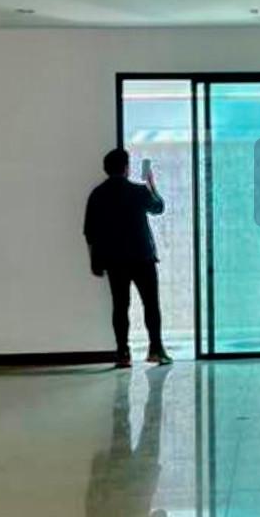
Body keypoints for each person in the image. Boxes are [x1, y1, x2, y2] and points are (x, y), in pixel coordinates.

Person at [83, 147, 172, 367]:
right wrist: (151, 184)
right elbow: (159, 207)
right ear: (126, 168)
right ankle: (156, 349)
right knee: (151, 304)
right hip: (142, 257)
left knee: (120, 306)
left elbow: (90, 232)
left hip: (114, 261)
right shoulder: (138, 191)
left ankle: (123, 353)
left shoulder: (97, 194)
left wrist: (95, 261)